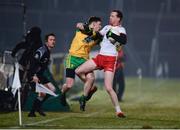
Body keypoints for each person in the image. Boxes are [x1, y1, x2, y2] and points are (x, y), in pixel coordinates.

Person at [75, 10, 127, 118]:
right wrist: (88, 34)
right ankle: (87, 92)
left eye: (113, 16)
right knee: (78, 71)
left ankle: (118, 111)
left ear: (118, 19)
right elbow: (97, 35)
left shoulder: (121, 29)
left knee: (108, 88)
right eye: (110, 15)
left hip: (110, 60)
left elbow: (123, 40)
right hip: (100, 57)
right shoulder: (107, 27)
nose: (110, 17)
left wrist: (111, 34)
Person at [60, 16, 102, 109]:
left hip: (84, 60)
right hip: (73, 58)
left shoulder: (97, 36)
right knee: (69, 85)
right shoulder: (83, 29)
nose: (100, 27)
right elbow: (78, 24)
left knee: (91, 79)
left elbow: (104, 43)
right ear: (93, 24)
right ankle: (62, 93)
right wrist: (90, 31)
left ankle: (83, 98)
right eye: (99, 24)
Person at [28, 33, 56, 117]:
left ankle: (36, 109)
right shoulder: (42, 50)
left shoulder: (48, 51)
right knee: (43, 93)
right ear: (46, 42)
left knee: (52, 89)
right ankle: (34, 110)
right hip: (34, 75)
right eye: (51, 40)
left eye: (54, 40)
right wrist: (34, 75)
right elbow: (33, 62)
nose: (53, 41)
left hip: (40, 75)